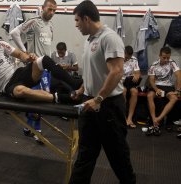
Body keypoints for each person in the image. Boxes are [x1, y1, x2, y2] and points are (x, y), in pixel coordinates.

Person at [68, 1, 136, 183]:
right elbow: (92, 71)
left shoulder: (109, 38)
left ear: (86, 18)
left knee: (118, 155)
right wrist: (82, 89)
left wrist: (98, 98)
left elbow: (117, 71)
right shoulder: (90, 39)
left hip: (108, 106)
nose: (76, 25)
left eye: (77, 21)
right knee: (85, 153)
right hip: (89, 102)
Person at [10, 0, 57, 142]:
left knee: (42, 97)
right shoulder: (34, 21)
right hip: (35, 68)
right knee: (38, 99)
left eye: (54, 10)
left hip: (46, 69)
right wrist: (25, 52)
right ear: (42, 8)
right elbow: (14, 33)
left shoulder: (50, 26)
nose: (52, 13)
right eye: (49, 9)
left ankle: (27, 127)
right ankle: (37, 131)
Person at [146, 46, 181, 136]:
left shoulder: (172, 63)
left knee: (174, 98)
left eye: (168, 58)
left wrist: (177, 90)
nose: (166, 60)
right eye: (164, 57)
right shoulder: (154, 65)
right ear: (160, 56)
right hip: (157, 85)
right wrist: (156, 89)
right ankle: (154, 119)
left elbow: (179, 76)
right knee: (150, 95)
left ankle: (158, 119)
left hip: (168, 86)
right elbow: (151, 80)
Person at [123, 45, 141, 128]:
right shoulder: (118, 58)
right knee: (123, 91)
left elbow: (137, 72)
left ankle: (129, 118)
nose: (127, 59)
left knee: (135, 92)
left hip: (129, 82)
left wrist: (136, 76)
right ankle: (123, 117)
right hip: (119, 81)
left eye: (129, 57)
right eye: (126, 57)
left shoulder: (134, 59)